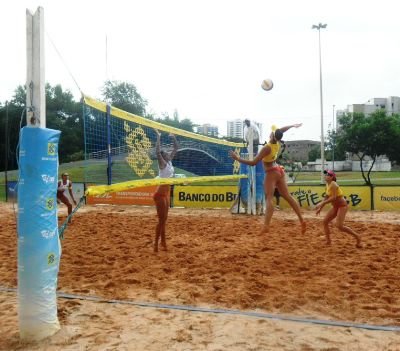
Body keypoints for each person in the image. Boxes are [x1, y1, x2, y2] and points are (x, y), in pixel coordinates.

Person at [229, 123, 306, 234]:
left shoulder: (267, 148)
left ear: (272, 135)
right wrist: (292, 126)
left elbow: (253, 163)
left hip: (271, 172)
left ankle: (266, 226)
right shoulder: (277, 142)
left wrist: (237, 158)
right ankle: (301, 219)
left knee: (269, 199)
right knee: (288, 196)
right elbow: (281, 131)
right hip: (279, 170)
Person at [315, 170, 362, 248]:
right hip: (335, 207)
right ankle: (328, 241)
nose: (325, 175)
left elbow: (334, 197)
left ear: (332, 177)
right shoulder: (327, 184)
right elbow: (326, 197)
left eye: (327, 175)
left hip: (342, 206)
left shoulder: (333, 184)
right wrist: (320, 208)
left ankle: (357, 236)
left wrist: (322, 203)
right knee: (325, 221)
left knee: (339, 226)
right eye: (325, 174)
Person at [153, 129, 178, 253]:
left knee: (164, 220)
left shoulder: (169, 162)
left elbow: (176, 148)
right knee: (161, 220)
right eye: (167, 153)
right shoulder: (162, 163)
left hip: (165, 194)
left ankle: (163, 241)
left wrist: (173, 137)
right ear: (164, 156)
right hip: (159, 195)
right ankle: (156, 244)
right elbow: (157, 152)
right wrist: (158, 136)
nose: (169, 153)